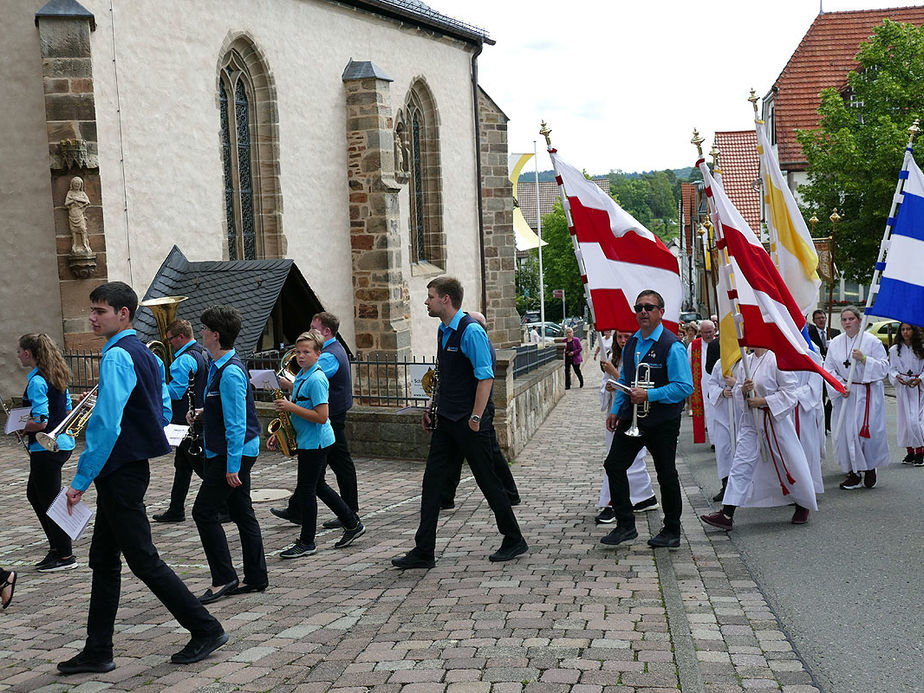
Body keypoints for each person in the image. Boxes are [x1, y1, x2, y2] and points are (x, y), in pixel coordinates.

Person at [58, 282, 226, 675]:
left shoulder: (118, 356)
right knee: (103, 559)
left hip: (119, 471)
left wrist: (80, 480)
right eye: (92, 310)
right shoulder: (147, 354)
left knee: (144, 560)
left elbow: (105, 423)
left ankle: (206, 628)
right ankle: (98, 649)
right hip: (130, 468)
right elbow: (164, 405)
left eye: (100, 310)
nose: (93, 317)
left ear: (123, 314)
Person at [392, 276, 527, 569]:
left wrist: (477, 417)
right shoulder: (444, 330)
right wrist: (432, 407)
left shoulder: (471, 331)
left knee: (489, 482)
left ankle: (514, 538)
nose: (426, 302)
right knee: (432, 485)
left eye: (430, 296)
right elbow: (444, 375)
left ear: (446, 299)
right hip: (447, 420)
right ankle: (424, 550)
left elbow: (486, 376)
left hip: (469, 422)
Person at [600, 290, 693, 549]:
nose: (643, 312)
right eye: (639, 307)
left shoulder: (671, 345)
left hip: (662, 421)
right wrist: (616, 409)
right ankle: (625, 525)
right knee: (614, 465)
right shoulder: (631, 343)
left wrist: (650, 394)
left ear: (661, 312)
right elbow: (626, 382)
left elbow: (684, 386)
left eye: (649, 307)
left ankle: (672, 530)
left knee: (666, 474)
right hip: (633, 418)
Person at [192, 306, 268, 603]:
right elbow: (225, 411)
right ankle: (256, 576)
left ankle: (223, 577)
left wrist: (232, 466)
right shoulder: (217, 366)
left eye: (205, 330)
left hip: (232, 453)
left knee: (203, 512)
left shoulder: (230, 372)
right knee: (241, 511)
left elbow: (237, 424)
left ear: (215, 335)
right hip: (226, 450)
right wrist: (202, 413)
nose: (201, 334)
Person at [269, 330, 364, 558]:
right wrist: (281, 431)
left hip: (316, 443)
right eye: (298, 352)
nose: (301, 356)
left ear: (318, 354)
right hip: (308, 440)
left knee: (307, 490)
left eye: (306, 352)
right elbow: (301, 406)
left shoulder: (317, 378)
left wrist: (289, 407)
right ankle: (352, 523)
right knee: (318, 486)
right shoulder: (302, 374)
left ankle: (307, 541)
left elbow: (322, 415)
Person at [700, 348, 818, 530]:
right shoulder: (746, 362)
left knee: (787, 463)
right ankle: (727, 514)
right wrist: (744, 391)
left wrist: (764, 401)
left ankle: (803, 504)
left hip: (775, 422)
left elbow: (790, 393)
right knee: (740, 464)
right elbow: (739, 393)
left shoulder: (778, 360)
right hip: (750, 422)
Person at [439, 310, 521, 509]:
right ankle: (445, 496)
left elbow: (484, 379)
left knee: (489, 455)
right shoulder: (454, 334)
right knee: (454, 455)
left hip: (478, 408)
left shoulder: (477, 340)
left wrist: (476, 416)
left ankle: (509, 494)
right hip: (462, 409)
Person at [16, 333, 78, 572]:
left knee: (51, 500)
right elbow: (68, 409)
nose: (18, 355)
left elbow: (41, 422)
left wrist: (20, 426)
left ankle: (65, 555)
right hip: (61, 444)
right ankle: (55, 548)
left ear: (29, 353)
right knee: (35, 494)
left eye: (20, 351)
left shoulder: (37, 381)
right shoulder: (56, 374)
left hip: (47, 447)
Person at [595, 329, 658, 524]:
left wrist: (613, 375)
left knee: (620, 461)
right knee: (628, 461)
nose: (623, 341)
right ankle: (645, 497)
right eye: (619, 337)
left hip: (633, 414)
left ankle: (611, 503)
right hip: (615, 412)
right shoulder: (614, 358)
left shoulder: (638, 357)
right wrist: (607, 387)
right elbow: (607, 385)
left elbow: (632, 384)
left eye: (626, 337)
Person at [823, 306, 890, 490]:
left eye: (851, 319)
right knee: (846, 434)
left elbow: (884, 367)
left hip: (866, 394)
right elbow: (828, 369)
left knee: (864, 433)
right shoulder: (835, 342)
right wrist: (838, 386)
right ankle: (853, 473)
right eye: (844, 319)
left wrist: (864, 359)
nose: (847, 322)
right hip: (846, 394)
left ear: (859, 320)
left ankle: (869, 468)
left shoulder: (872, 341)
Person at [153, 320, 210, 523]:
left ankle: (225, 506)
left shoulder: (183, 360)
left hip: (185, 420)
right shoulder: (203, 352)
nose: (168, 343)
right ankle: (176, 509)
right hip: (198, 416)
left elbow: (176, 392)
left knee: (201, 468)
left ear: (180, 337)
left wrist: (155, 388)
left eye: (170, 339)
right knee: (182, 467)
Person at [888, 323, 924, 466]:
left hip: (919, 388)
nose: (905, 332)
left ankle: (920, 451)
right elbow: (891, 369)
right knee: (905, 421)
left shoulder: (921, 348)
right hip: (903, 388)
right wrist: (897, 376)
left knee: (917, 421)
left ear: (914, 331)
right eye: (903, 329)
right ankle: (911, 451)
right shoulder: (894, 350)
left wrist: (920, 379)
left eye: (908, 329)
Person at [703, 355, 735, 502]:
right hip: (723, 414)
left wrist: (737, 385)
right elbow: (712, 384)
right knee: (723, 450)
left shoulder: (748, 360)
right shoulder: (720, 362)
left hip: (742, 415)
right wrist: (722, 392)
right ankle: (726, 485)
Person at [808, 309, 840, 432]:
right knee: (820, 397)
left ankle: (827, 419)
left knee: (834, 396)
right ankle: (821, 426)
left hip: (832, 371)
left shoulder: (835, 333)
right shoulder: (810, 334)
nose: (821, 320)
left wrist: (832, 346)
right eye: (818, 318)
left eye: (823, 317)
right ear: (814, 321)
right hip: (818, 371)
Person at [687, 319, 717, 444]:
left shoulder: (719, 343)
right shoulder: (693, 345)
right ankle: (714, 440)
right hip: (701, 382)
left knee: (718, 411)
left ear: (714, 331)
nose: (708, 335)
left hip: (718, 381)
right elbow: (688, 364)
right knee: (708, 410)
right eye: (705, 332)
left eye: (710, 332)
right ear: (700, 332)